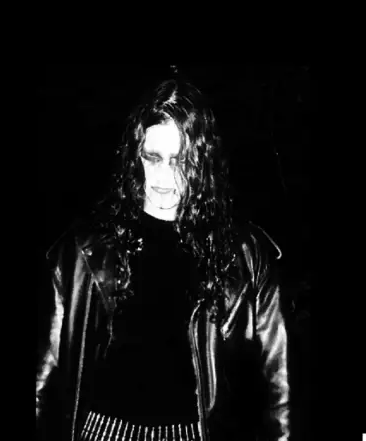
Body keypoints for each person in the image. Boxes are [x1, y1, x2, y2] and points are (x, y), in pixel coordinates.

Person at [36, 74, 290, 441]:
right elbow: (43, 376)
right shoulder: (82, 250)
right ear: (135, 156)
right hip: (103, 433)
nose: (165, 178)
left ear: (203, 161)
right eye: (152, 158)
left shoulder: (244, 254)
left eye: (181, 161)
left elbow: (280, 383)